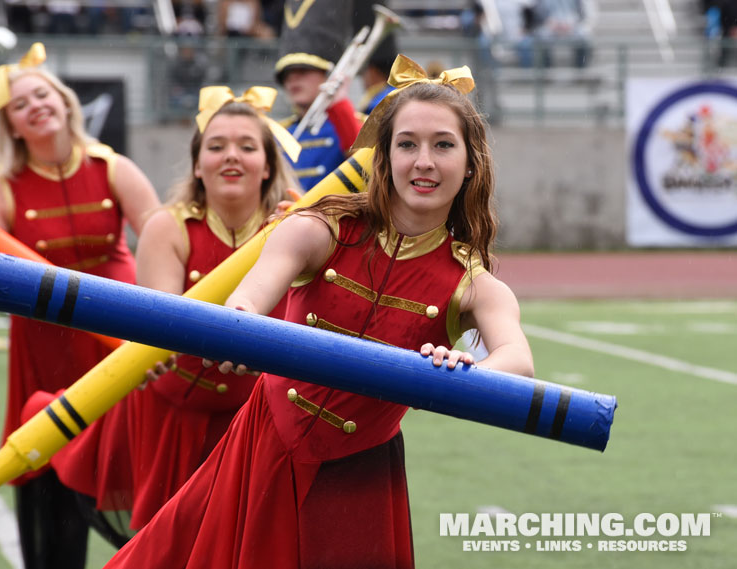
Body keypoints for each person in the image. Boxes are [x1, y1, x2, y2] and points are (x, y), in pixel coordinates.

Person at [104, 54, 534, 569]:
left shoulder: (474, 283)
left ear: (470, 163)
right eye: (407, 144)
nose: (424, 161)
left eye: (443, 145)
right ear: (385, 156)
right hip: (263, 449)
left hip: (361, 472)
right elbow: (249, 299)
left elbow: (518, 360)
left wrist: (469, 369)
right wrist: (240, 332)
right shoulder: (320, 228)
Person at [31, 85, 300, 545]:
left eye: (247, 146)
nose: (230, 156)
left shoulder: (298, 223)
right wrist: (234, 344)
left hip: (259, 420)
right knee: (172, 547)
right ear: (198, 164)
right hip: (173, 420)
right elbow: (166, 329)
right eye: (216, 147)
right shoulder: (168, 226)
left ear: (268, 165)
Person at [0, 43, 160, 569]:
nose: (35, 106)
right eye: (19, 105)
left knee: (139, 482)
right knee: (50, 484)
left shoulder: (113, 167)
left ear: (64, 100)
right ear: (10, 126)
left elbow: (167, 240)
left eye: (42, 93)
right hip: (44, 351)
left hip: (116, 344)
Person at [274, 0, 363, 191]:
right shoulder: (278, 133)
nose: (293, 80)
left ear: (327, 74)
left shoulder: (353, 125)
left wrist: (339, 106)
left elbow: (367, 170)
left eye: (303, 71)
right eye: (287, 75)